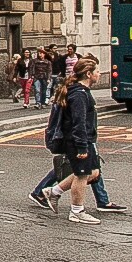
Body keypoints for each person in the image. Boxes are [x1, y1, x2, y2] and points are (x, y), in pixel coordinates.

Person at [43, 58, 103, 225]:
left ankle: (53, 191)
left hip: (85, 140)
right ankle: (77, 211)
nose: (99, 74)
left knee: (93, 173)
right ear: (89, 74)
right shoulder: (79, 95)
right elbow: (78, 123)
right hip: (78, 141)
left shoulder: (81, 91)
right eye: (97, 71)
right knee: (82, 175)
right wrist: (82, 146)